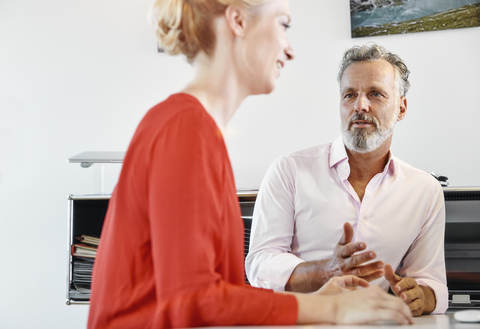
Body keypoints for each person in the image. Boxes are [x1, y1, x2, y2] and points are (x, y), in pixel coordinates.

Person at [87, 2, 413, 327]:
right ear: (238, 21)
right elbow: (192, 301)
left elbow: (211, 293)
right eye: (283, 25)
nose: (289, 50)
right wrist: (334, 311)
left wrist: (316, 299)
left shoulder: (195, 128)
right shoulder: (186, 129)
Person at [245, 43, 448, 317]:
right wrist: (325, 271)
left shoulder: (425, 190)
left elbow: (430, 281)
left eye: (375, 94)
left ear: (401, 108)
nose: (360, 106)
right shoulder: (289, 170)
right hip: (301, 321)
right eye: (349, 95)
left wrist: (420, 296)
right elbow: (259, 263)